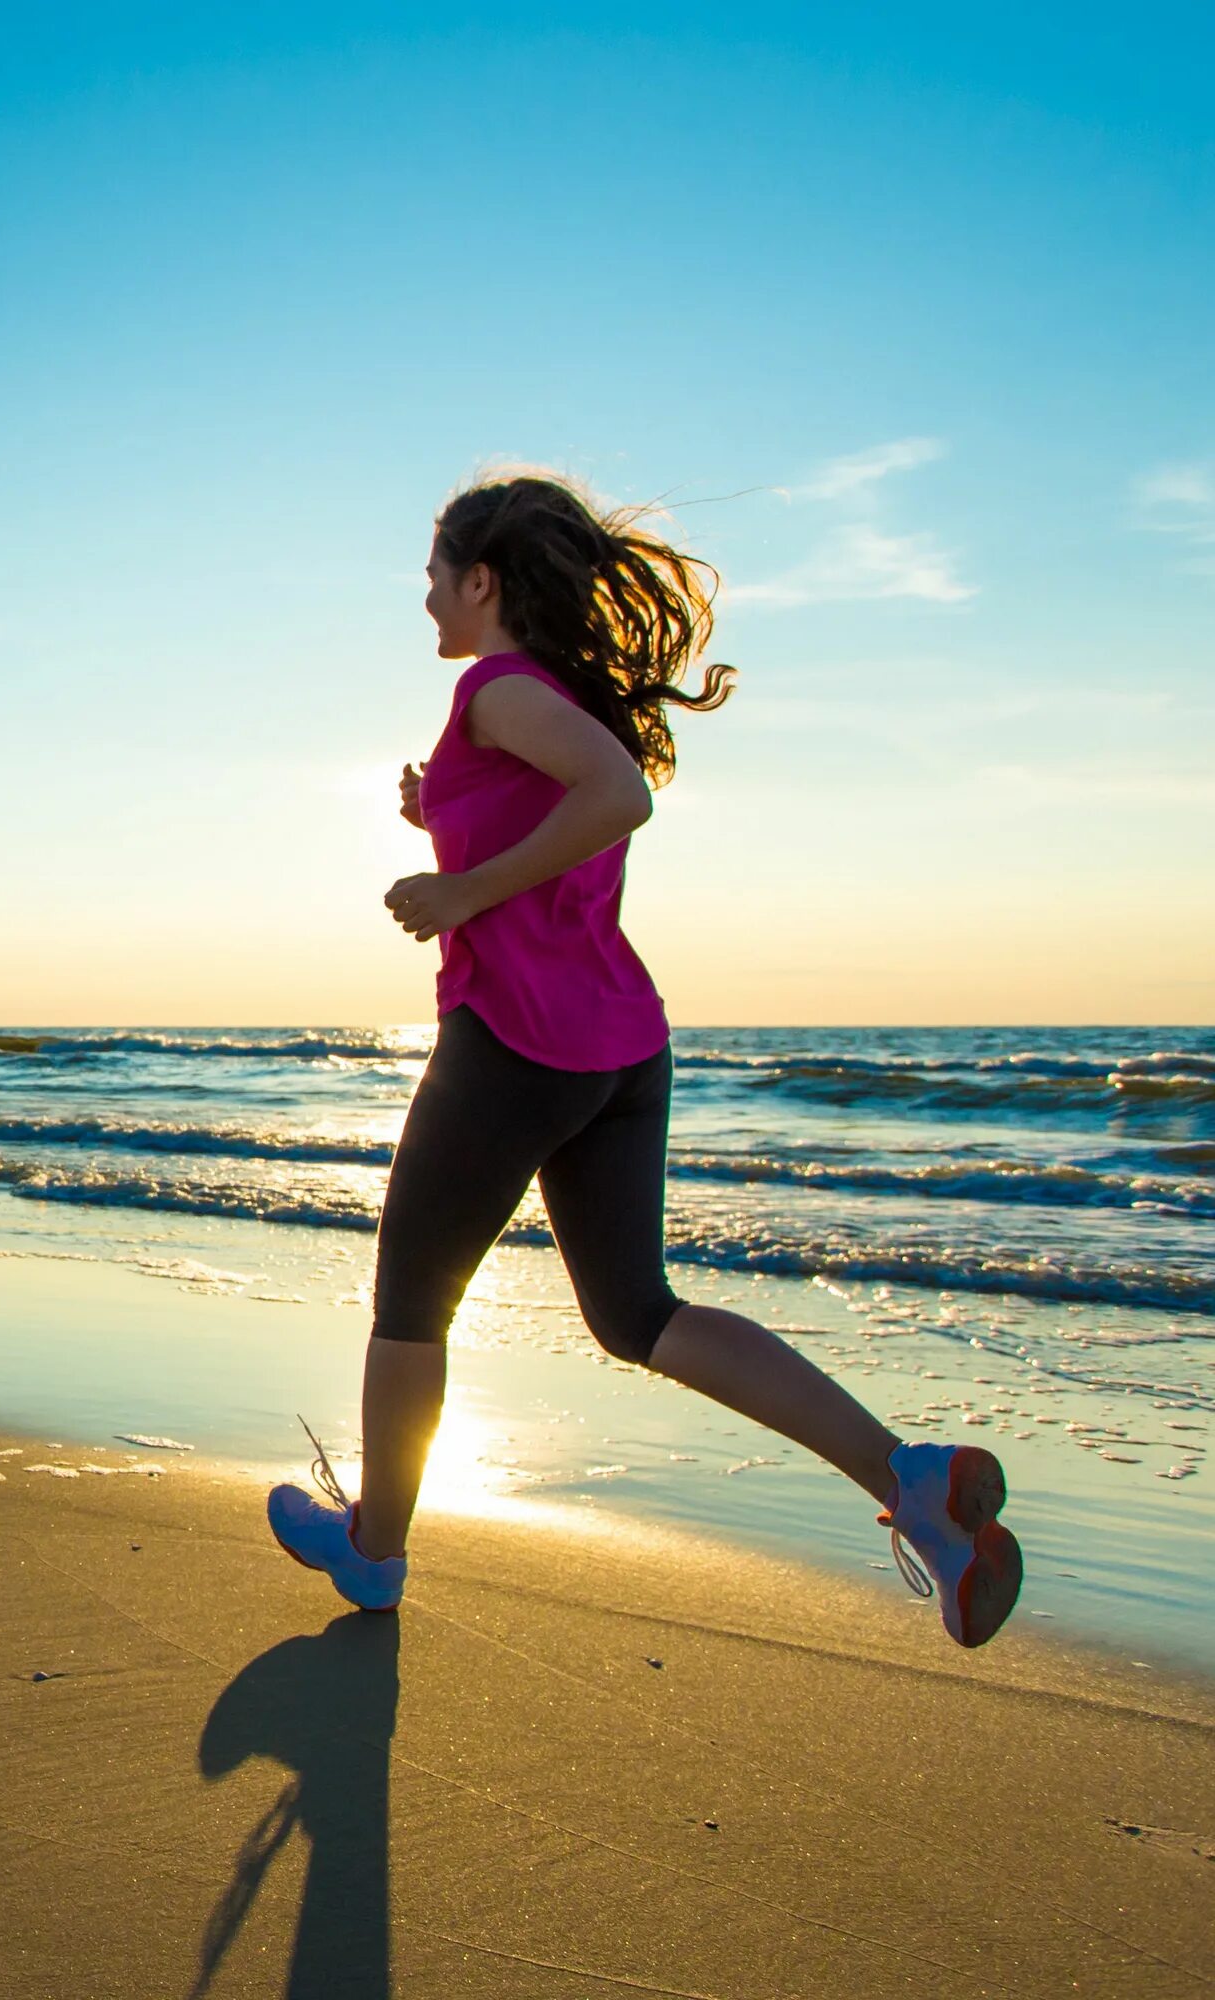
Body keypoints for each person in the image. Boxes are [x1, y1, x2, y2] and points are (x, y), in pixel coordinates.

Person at [266, 471, 1022, 1648]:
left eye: (433, 575)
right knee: (637, 1313)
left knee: (412, 1297)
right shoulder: (548, 698)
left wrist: (460, 885)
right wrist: (443, 817)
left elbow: (618, 799)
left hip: (513, 1043)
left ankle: (374, 1553)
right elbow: (570, 813)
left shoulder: (498, 687)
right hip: (619, 1049)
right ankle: (913, 1480)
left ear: (483, 580)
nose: (422, 598)